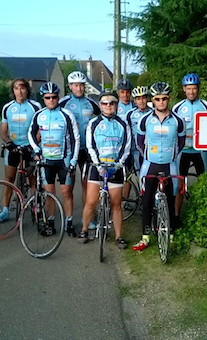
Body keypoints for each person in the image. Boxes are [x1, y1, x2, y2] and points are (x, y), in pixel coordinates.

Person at [131, 82, 186, 252]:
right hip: (150, 164)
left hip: (170, 164)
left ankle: (169, 235)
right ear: (153, 101)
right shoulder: (145, 120)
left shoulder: (178, 120)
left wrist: (172, 155)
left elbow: (181, 142)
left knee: (170, 199)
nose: (161, 102)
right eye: (157, 99)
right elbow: (139, 142)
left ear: (168, 99)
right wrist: (147, 155)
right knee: (147, 201)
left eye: (164, 99)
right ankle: (145, 237)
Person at [77, 91, 131, 249]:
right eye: (105, 103)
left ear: (116, 105)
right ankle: (84, 230)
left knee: (116, 204)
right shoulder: (93, 123)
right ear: (100, 105)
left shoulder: (123, 124)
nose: (109, 106)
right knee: (91, 201)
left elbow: (125, 147)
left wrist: (117, 164)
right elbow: (90, 146)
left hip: (116, 167)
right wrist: (99, 166)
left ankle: (119, 236)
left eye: (112, 103)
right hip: (97, 167)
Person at [29, 82, 80, 237]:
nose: (51, 100)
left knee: (66, 193)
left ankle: (69, 222)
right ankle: (50, 221)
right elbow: (30, 134)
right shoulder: (39, 115)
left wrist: (73, 161)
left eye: (54, 97)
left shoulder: (66, 115)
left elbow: (76, 139)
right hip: (47, 160)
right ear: (43, 98)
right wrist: (36, 149)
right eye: (47, 97)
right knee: (49, 193)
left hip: (64, 159)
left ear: (58, 97)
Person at [58, 71, 100, 227]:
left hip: (86, 150)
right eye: (76, 85)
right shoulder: (63, 102)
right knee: (68, 186)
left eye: (82, 85)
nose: (79, 88)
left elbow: (102, 117)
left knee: (86, 185)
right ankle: (68, 219)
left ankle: (86, 218)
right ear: (70, 87)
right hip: (69, 149)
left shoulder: (91, 103)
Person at [0, 78, 42, 222]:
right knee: (9, 179)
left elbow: (40, 129)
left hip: (29, 148)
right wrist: (8, 143)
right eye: (16, 88)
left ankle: (36, 207)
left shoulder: (35, 106)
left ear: (27, 90)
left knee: (32, 180)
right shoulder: (7, 108)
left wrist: (33, 144)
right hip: (13, 148)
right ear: (13, 91)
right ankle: (5, 210)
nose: (19, 91)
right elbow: (3, 131)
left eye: (22, 88)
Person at [172, 73, 207, 221]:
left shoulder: (206, 106)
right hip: (183, 150)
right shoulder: (177, 107)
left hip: (199, 150)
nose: (191, 92)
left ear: (198, 89)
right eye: (188, 89)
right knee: (179, 184)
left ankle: (205, 214)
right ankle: (176, 216)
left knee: (204, 181)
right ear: (184, 89)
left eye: (194, 88)